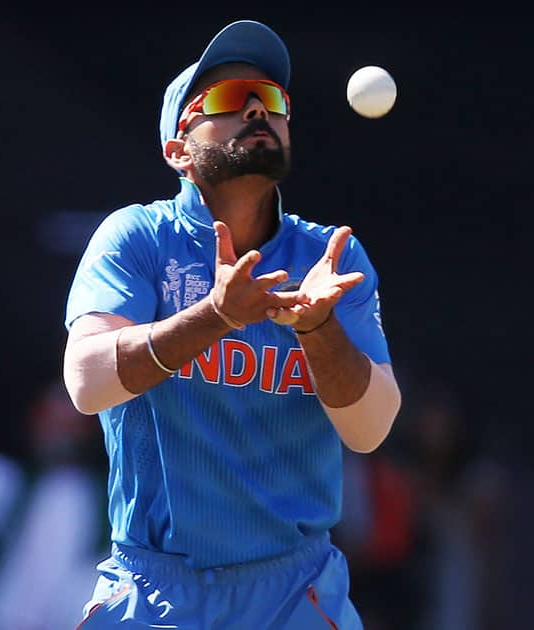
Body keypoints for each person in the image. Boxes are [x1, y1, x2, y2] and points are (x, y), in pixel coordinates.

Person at [62, 19, 402, 630]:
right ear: (177, 149)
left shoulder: (333, 258)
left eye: (271, 101)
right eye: (227, 99)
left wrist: (319, 327)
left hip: (294, 589)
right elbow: (86, 382)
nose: (256, 110)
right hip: (154, 586)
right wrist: (215, 315)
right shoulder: (137, 237)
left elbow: (371, 429)